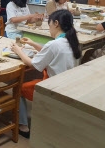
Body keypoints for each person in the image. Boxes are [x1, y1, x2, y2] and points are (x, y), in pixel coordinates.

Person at [11, 9, 81, 138]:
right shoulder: (71, 41)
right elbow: (51, 51)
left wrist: (18, 50)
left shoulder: (54, 44)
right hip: (67, 85)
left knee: (19, 89)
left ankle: (23, 126)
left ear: (56, 23)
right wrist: (32, 43)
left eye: (49, 26)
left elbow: (32, 64)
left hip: (52, 88)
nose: (49, 29)